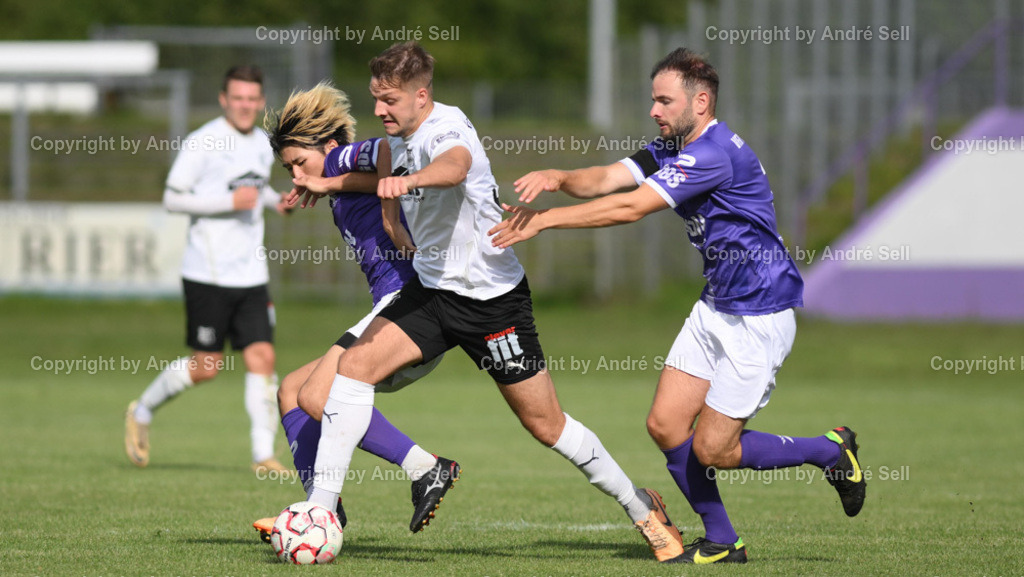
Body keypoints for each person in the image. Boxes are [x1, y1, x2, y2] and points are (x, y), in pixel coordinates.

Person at [292, 41, 684, 564]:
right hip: (431, 294)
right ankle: (320, 511)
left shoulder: (445, 130)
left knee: (547, 426)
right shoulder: (401, 133)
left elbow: (454, 167)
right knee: (352, 370)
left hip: (492, 304)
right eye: (375, 99)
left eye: (389, 101)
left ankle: (641, 508)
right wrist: (338, 186)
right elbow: (383, 169)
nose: (379, 111)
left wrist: (405, 184)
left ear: (421, 96)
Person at [488, 47, 867, 564]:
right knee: (666, 425)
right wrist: (559, 176)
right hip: (715, 308)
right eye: (653, 100)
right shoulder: (673, 146)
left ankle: (828, 450)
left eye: (664, 101)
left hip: (760, 316)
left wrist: (546, 220)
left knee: (715, 450)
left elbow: (631, 207)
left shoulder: (712, 154)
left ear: (701, 101)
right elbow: (607, 180)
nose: (654, 111)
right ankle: (722, 541)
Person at [251, 82, 459, 539]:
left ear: (327, 146)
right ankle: (318, 510)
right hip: (396, 311)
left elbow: (387, 152)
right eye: (289, 169)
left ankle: (425, 467)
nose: (296, 175)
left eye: (298, 163)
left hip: (408, 304)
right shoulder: (339, 183)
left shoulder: (343, 158)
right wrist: (325, 184)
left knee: (315, 395)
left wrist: (385, 216)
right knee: (291, 390)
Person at [124, 65, 292, 475]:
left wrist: (276, 201)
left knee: (262, 358)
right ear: (224, 99)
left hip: (252, 275)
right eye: (238, 98)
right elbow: (172, 198)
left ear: (261, 101)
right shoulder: (203, 141)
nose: (245, 106)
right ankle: (142, 409)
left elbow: (255, 187)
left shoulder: (260, 143)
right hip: (208, 274)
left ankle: (262, 456)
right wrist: (226, 203)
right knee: (207, 367)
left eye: (253, 99)